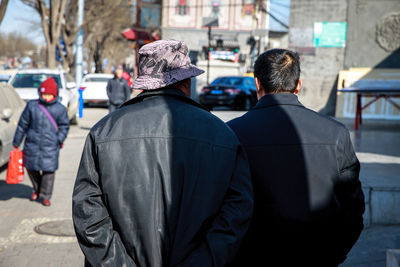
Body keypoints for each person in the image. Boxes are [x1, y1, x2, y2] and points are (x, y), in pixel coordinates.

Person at [72, 39, 253, 267]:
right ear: (186, 81)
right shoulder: (222, 134)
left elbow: (88, 213)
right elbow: (237, 211)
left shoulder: (103, 131)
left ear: (144, 83)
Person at [227, 49, 365, 267]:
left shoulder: (230, 133)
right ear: (298, 84)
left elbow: (220, 206)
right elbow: (353, 210)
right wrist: (331, 256)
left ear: (257, 84)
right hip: (316, 257)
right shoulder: (335, 133)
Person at [13, 77, 70, 206]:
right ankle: (37, 188)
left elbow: (64, 126)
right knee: (31, 168)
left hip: (50, 146)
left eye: (48, 94)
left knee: (48, 172)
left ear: (54, 95)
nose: (46, 97)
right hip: (32, 144)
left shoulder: (60, 109)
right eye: (43, 94)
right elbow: (23, 125)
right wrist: (16, 142)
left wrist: (59, 139)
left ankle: (45, 195)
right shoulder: (32, 106)